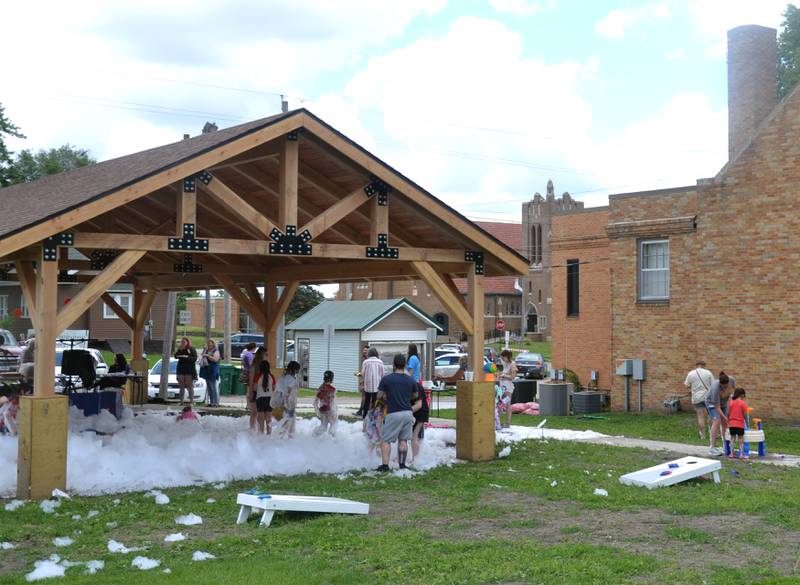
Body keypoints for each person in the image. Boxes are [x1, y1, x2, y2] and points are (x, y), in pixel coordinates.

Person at [376, 354, 418, 472]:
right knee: (403, 440)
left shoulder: (387, 379)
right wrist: (406, 397)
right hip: (407, 413)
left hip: (393, 412)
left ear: (394, 365)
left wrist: (385, 398)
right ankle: (402, 465)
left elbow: (379, 395)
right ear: (405, 365)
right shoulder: (410, 379)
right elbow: (415, 395)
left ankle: (385, 465)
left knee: (386, 440)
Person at [684, 360, 713, 440]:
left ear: (696, 365)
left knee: (700, 416)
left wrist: (693, 388)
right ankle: (711, 434)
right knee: (710, 415)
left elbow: (687, 385)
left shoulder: (691, 373)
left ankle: (702, 435)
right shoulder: (708, 373)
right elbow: (713, 385)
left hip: (697, 397)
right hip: (708, 397)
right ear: (704, 365)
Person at [704, 372, 729, 456]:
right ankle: (712, 448)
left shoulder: (731, 382)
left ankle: (726, 446)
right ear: (720, 384)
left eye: (726, 386)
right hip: (711, 403)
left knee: (724, 423)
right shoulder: (715, 388)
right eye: (723, 387)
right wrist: (725, 417)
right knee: (717, 422)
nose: (725, 388)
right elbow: (717, 407)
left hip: (723, 403)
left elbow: (731, 396)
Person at [275, 361, 300, 438]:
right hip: (289, 402)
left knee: (290, 419)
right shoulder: (290, 379)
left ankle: (289, 436)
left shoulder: (284, 377)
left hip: (287, 401)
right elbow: (288, 391)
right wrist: (288, 402)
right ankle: (281, 436)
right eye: (297, 369)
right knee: (288, 420)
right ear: (294, 369)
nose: (298, 371)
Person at [252, 356, 276, 434]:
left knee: (261, 418)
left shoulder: (257, 376)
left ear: (260, 368)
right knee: (269, 418)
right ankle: (269, 434)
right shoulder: (272, 376)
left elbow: (255, 388)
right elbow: (274, 388)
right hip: (270, 398)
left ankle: (261, 433)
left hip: (260, 398)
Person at [361, 348, 384, 423]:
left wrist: (362, 381)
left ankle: (364, 417)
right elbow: (382, 374)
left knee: (367, 402)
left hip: (367, 386)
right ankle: (374, 418)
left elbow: (363, 374)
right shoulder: (380, 362)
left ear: (369, 353)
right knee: (375, 402)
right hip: (377, 386)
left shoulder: (365, 362)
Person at [247, 347, 267, 430]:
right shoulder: (254, 366)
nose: (267, 356)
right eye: (266, 355)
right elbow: (251, 381)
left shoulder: (265, 366)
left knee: (261, 412)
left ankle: (260, 430)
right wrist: (250, 392)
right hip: (255, 391)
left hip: (263, 392)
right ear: (261, 355)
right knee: (254, 412)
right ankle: (252, 429)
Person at [174, 337, 198, 405]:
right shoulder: (180, 348)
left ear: (187, 342)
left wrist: (187, 357)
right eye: (182, 342)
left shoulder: (191, 348)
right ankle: (181, 401)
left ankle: (191, 402)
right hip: (181, 368)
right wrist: (177, 353)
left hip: (189, 369)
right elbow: (176, 356)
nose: (183, 343)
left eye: (184, 342)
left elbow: (195, 358)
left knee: (189, 386)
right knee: (181, 386)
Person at [727, 388, 749, 459]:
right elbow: (745, 415)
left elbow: (728, 413)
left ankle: (731, 453)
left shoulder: (731, 402)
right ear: (742, 395)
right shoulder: (743, 404)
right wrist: (747, 423)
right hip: (740, 424)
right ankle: (741, 454)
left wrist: (728, 421)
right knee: (740, 439)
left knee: (732, 438)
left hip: (731, 424)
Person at [314, 370, 337, 437]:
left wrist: (317, 411)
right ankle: (332, 438)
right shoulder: (332, 389)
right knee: (333, 424)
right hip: (330, 410)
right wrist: (334, 412)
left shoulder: (320, 388)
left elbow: (315, 402)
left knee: (323, 427)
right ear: (331, 379)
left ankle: (314, 436)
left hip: (322, 410)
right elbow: (332, 402)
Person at [410, 380, 429, 462]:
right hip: (416, 411)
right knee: (413, 436)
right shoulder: (411, 383)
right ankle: (411, 457)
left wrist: (406, 412)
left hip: (420, 412)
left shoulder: (415, 385)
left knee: (414, 436)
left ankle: (415, 459)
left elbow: (419, 405)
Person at [498, 350, 517, 428]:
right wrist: (500, 374)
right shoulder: (505, 364)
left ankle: (507, 423)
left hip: (508, 387)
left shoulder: (512, 364)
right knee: (500, 404)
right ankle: (497, 421)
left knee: (507, 404)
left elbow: (513, 377)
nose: (502, 359)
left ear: (507, 357)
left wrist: (504, 375)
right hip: (502, 386)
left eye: (503, 357)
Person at [241, 342, 258, 428]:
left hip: (246, 372)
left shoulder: (246, 353)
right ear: (254, 347)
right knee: (249, 389)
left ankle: (248, 404)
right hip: (249, 373)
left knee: (248, 389)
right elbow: (251, 364)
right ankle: (249, 404)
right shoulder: (249, 354)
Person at [200, 339, 221, 407]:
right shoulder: (206, 350)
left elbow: (215, 359)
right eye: (208, 343)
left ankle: (215, 402)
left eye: (210, 343)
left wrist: (207, 356)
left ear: (213, 344)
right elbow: (202, 355)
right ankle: (211, 402)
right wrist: (204, 350)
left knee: (213, 387)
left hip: (213, 370)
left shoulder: (216, 351)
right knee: (209, 387)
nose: (209, 344)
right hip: (207, 369)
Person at [355, 346, 369, 416]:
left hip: (366, 381)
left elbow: (364, 373)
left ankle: (361, 411)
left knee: (364, 396)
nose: (364, 351)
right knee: (365, 396)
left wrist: (357, 374)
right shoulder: (364, 359)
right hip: (364, 380)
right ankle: (363, 410)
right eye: (364, 350)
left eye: (366, 350)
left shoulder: (367, 361)